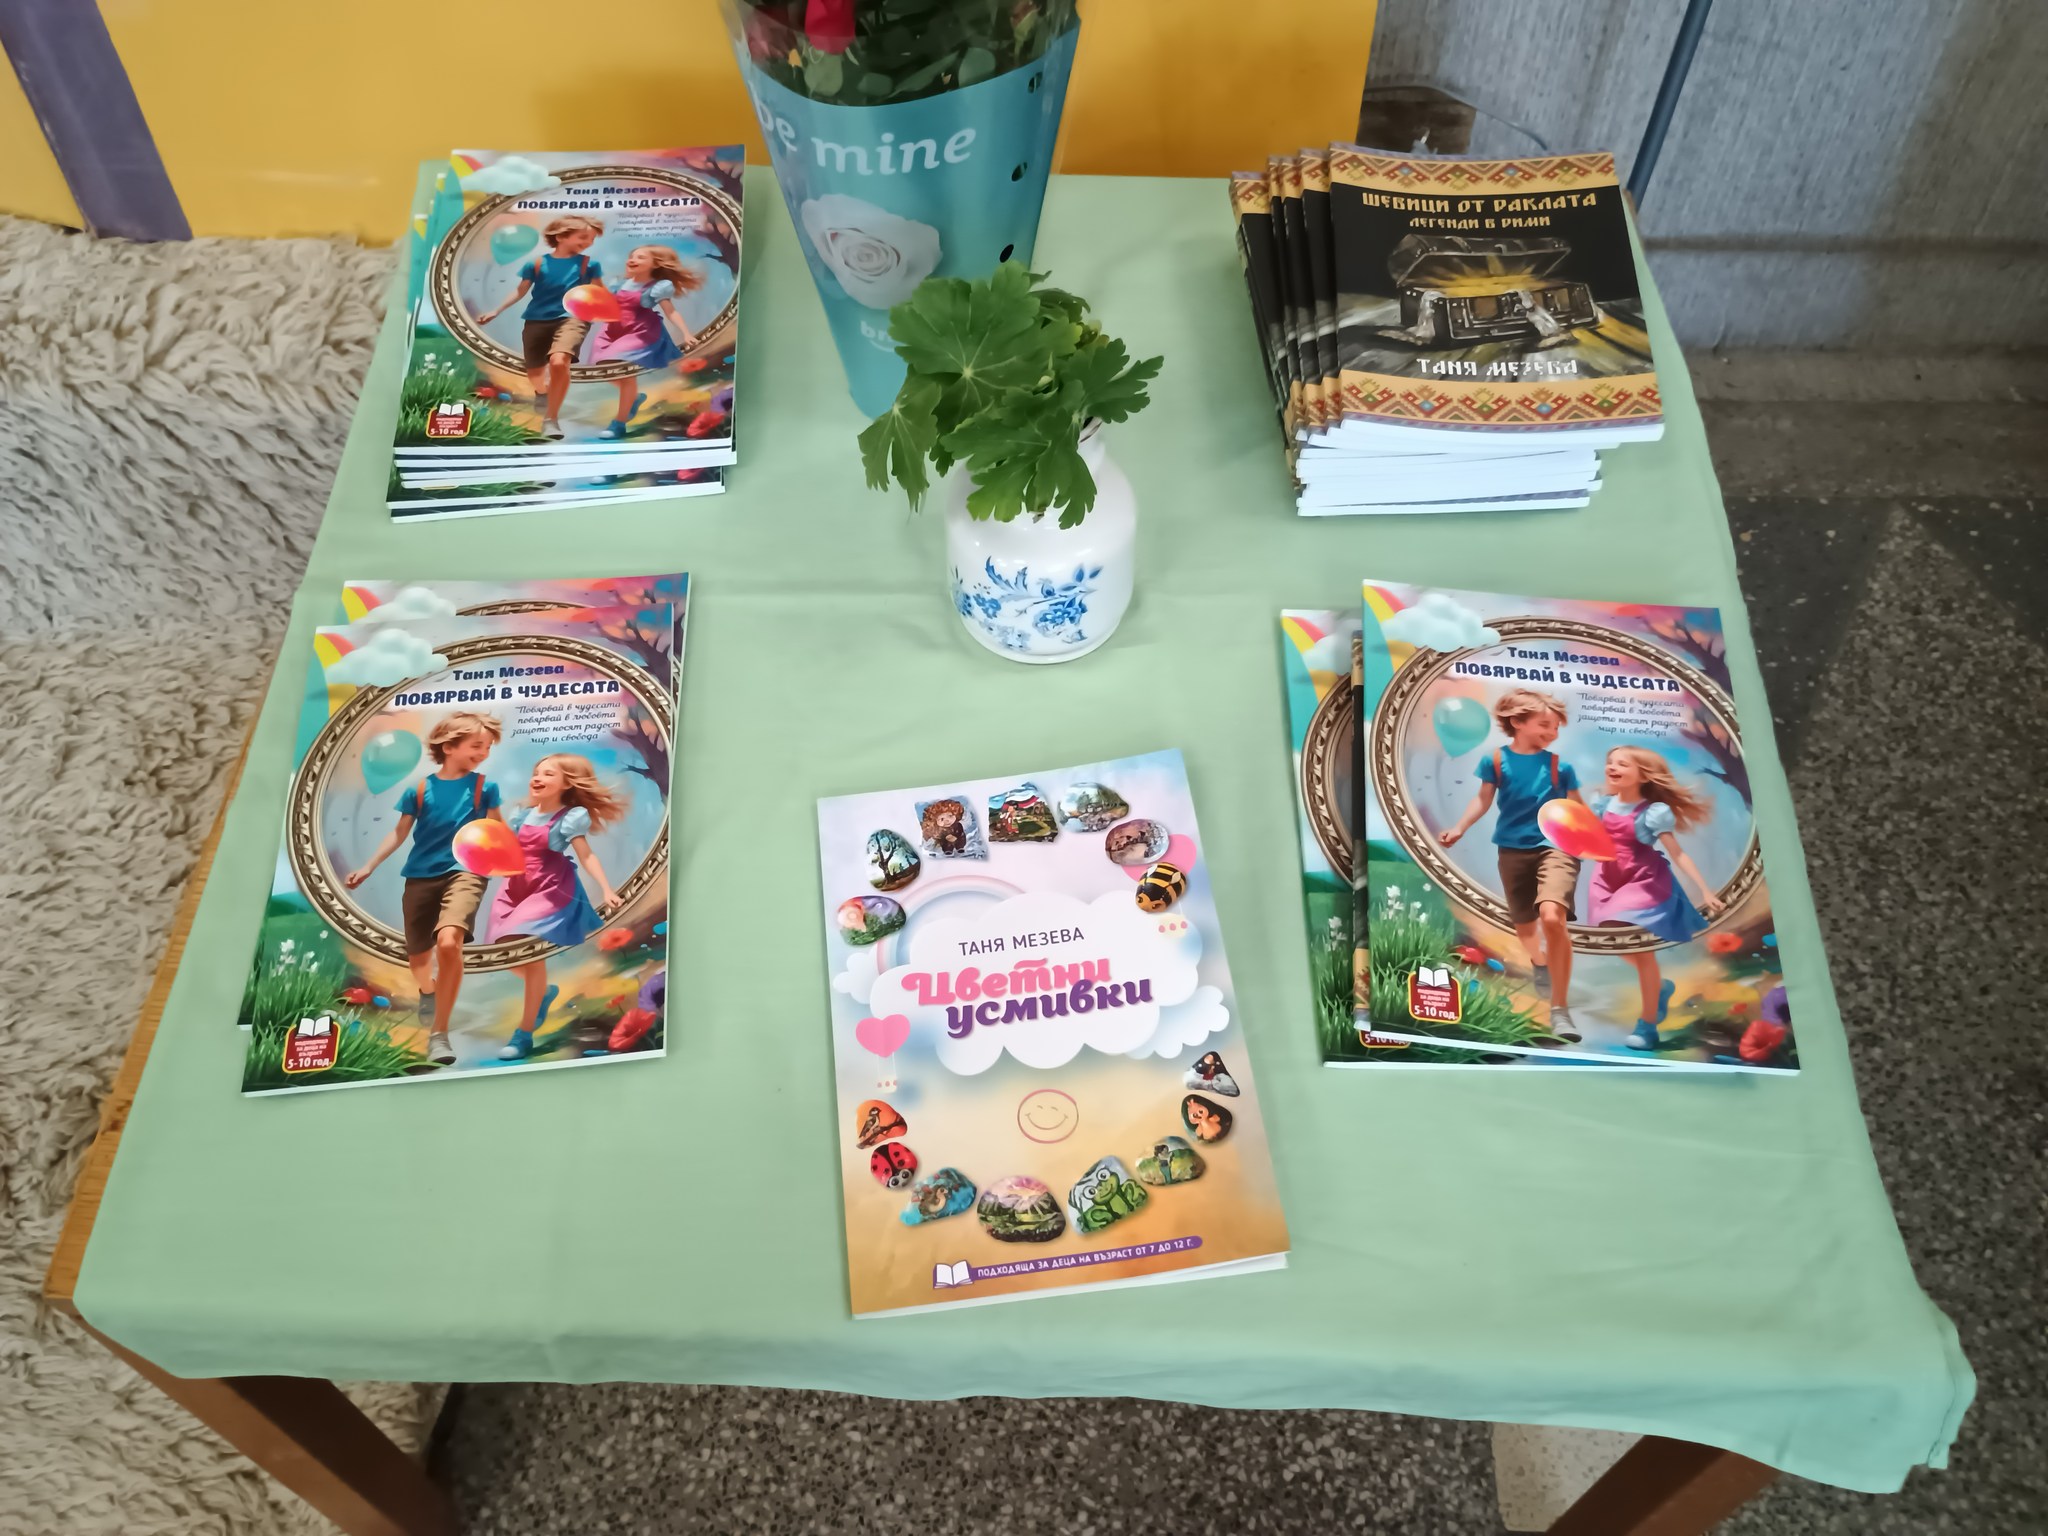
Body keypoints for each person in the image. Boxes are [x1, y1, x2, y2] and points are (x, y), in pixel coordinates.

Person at [344, 713, 504, 1066]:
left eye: (488, 748)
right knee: (418, 958)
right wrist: (368, 866)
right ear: (449, 747)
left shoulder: (485, 788)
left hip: (465, 872)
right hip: (419, 877)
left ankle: (439, 1034)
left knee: (448, 942)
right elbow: (398, 833)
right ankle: (428, 990)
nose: (484, 753)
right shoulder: (418, 790)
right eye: (477, 746)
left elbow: (498, 833)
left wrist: (514, 863)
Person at [1438, 688, 1586, 1040]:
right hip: (1512, 850)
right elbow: (1482, 800)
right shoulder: (1495, 761)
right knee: (1525, 926)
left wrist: (1597, 840)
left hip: (1556, 848)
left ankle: (1560, 1010)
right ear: (1518, 722)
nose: (1552, 733)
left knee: (1552, 916)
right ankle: (1539, 962)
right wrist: (1459, 828)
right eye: (1545, 725)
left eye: (1556, 728)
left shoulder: (1560, 767)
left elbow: (1579, 810)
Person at [1587, 746, 1725, 1051]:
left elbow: (1678, 853)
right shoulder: (1601, 803)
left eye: (1623, 764)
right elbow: (1586, 837)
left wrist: (1705, 889)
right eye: (1610, 762)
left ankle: (1647, 1026)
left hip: (1642, 880)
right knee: (1616, 943)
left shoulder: (1652, 812)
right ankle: (1659, 988)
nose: (1612, 767)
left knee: (1641, 950)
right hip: (1605, 880)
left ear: (1643, 775)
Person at [489, 754, 626, 1061]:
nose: (538, 778)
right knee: (504, 953)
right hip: (513, 888)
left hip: (548, 888)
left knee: (529, 952)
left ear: (567, 784)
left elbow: (586, 855)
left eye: (549, 774)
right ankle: (542, 992)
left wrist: (606, 888)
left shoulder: (570, 817)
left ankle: (523, 1035)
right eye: (536, 772)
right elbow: (506, 849)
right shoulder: (521, 815)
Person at [474, 215, 605, 441]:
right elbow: (520, 290)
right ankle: (541, 392)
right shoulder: (535, 264)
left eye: (592, 239)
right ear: (561, 236)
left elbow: (600, 292)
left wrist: (613, 311)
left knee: (559, 361)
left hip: (572, 318)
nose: (588, 243)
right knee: (535, 372)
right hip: (536, 320)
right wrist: (497, 310)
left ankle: (551, 419)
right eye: (583, 237)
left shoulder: (589, 265)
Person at [587, 245, 704, 439]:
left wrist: (686, 333)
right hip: (611, 331)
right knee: (605, 370)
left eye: (640, 257)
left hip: (639, 331)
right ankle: (633, 398)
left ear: (655, 264)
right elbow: (604, 304)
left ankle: (618, 424)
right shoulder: (618, 284)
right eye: (632, 256)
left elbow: (671, 312)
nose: (633, 260)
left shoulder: (657, 287)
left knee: (624, 373)